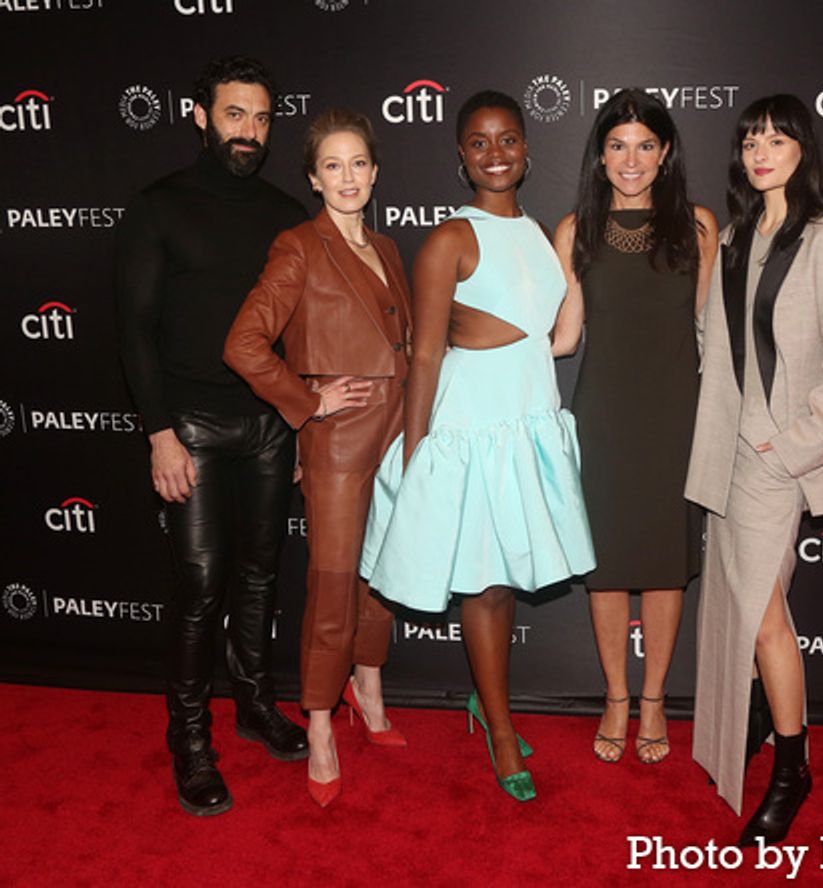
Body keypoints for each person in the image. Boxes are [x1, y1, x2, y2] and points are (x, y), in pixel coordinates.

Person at [359, 91, 594, 802]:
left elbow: (553, 337)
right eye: (479, 143)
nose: (496, 153)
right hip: (469, 428)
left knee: (506, 580)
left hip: (526, 419)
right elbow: (423, 355)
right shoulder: (448, 239)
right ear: (460, 157)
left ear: (527, 148)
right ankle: (497, 727)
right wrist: (416, 449)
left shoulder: (538, 233)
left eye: (508, 139)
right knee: (487, 584)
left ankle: (485, 706)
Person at [114, 56, 309, 817]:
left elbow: (295, 331)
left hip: (265, 425)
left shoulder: (287, 211)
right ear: (201, 116)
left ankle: (255, 707)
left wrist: (293, 418)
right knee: (200, 586)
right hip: (189, 423)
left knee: (261, 574)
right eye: (235, 115)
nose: (249, 132)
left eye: (261, 118)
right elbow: (132, 333)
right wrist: (161, 435)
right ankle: (189, 741)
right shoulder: (156, 208)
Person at [685, 94, 823, 845]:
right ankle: (758, 721)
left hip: (779, 457)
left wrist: (789, 444)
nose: (762, 151)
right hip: (727, 450)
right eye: (750, 140)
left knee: (764, 614)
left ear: (803, 147)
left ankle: (794, 768)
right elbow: (715, 339)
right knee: (736, 603)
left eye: (777, 138)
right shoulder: (735, 235)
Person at [224, 108, 412, 808]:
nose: (348, 177)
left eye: (358, 163)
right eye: (332, 166)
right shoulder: (299, 245)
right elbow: (244, 343)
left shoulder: (388, 249)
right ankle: (323, 723)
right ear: (312, 178)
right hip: (337, 441)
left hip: (396, 431)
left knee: (382, 573)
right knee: (333, 584)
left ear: (375, 171)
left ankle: (368, 686)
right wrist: (308, 402)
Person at [552, 89, 717, 766]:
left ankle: (655, 701)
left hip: (676, 416)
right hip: (605, 418)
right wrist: (471, 349)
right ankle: (615, 697)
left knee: (666, 569)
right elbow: (564, 338)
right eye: (618, 145)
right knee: (610, 568)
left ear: (666, 152)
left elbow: (709, 334)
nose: (631, 160)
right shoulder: (575, 230)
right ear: (600, 155)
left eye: (645, 145)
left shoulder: (698, 226)